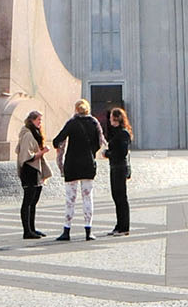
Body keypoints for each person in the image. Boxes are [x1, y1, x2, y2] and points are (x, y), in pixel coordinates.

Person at [50, 98, 104, 241]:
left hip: (72, 165)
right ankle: (88, 231)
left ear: (76, 110)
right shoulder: (94, 123)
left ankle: (67, 230)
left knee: (70, 199)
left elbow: (57, 140)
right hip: (88, 165)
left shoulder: (72, 123)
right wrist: (90, 152)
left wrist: (60, 149)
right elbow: (99, 143)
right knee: (88, 198)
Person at [14, 110, 51, 239]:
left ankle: (32, 228)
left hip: (35, 170)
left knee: (33, 201)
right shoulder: (28, 135)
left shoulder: (34, 133)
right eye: (38, 120)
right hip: (30, 170)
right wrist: (42, 152)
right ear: (32, 120)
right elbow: (27, 156)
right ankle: (27, 231)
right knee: (28, 201)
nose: (40, 123)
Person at [103, 107, 133, 235]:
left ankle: (124, 227)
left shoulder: (123, 133)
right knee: (116, 196)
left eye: (111, 118)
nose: (110, 120)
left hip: (120, 167)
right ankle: (119, 225)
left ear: (116, 118)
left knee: (121, 197)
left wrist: (108, 154)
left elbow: (122, 152)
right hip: (114, 167)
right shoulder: (116, 132)